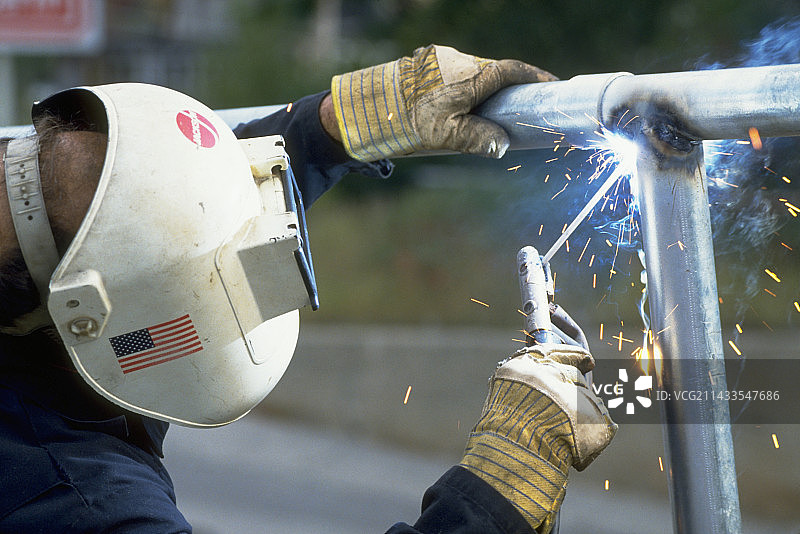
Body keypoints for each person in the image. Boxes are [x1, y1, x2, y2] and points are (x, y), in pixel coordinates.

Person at [0, 45, 615, 533]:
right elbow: (148, 239)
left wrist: (338, 125)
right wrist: (498, 493)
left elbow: (158, 222)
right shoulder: (76, 503)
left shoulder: (48, 308)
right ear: (88, 314)